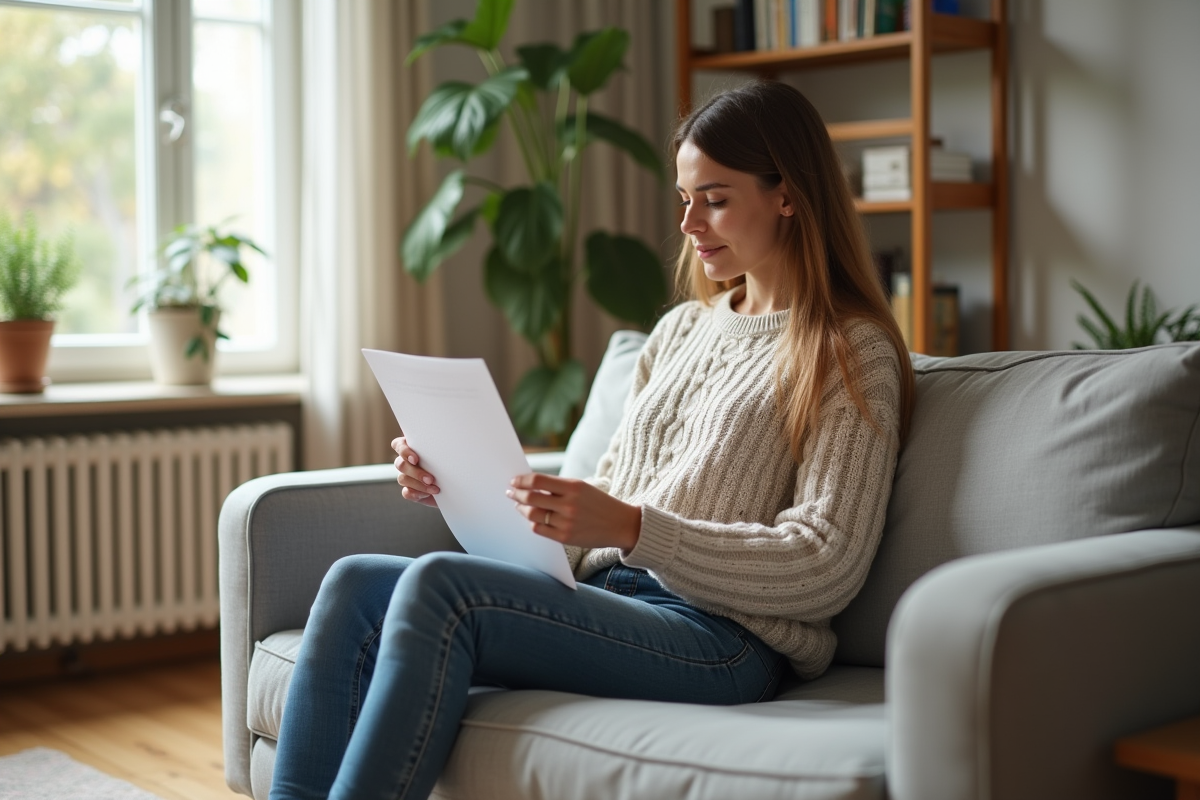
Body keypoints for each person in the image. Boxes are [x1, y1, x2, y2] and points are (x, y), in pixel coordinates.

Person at [268, 80, 915, 800]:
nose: (690, 223)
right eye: (685, 198)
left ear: (788, 195)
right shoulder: (680, 332)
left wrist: (638, 529)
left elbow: (827, 561)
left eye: (717, 198)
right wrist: (459, 479)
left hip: (725, 639)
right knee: (354, 582)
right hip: (610, 596)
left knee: (439, 587)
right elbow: (584, 532)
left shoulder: (848, 351)